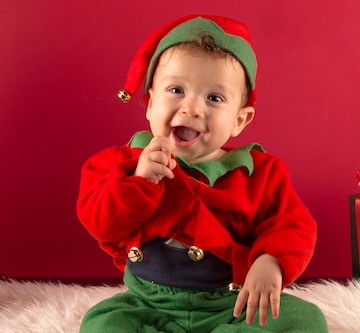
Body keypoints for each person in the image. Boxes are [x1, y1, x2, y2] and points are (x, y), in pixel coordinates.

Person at [77, 14, 328, 332]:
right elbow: (103, 225)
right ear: (151, 102)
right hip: (149, 304)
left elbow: (294, 225)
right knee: (103, 324)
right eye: (176, 90)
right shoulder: (119, 164)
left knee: (306, 320)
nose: (192, 108)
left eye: (214, 98)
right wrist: (138, 182)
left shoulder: (262, 172)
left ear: (239, 120)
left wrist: (271, 261)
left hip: (231, 304)